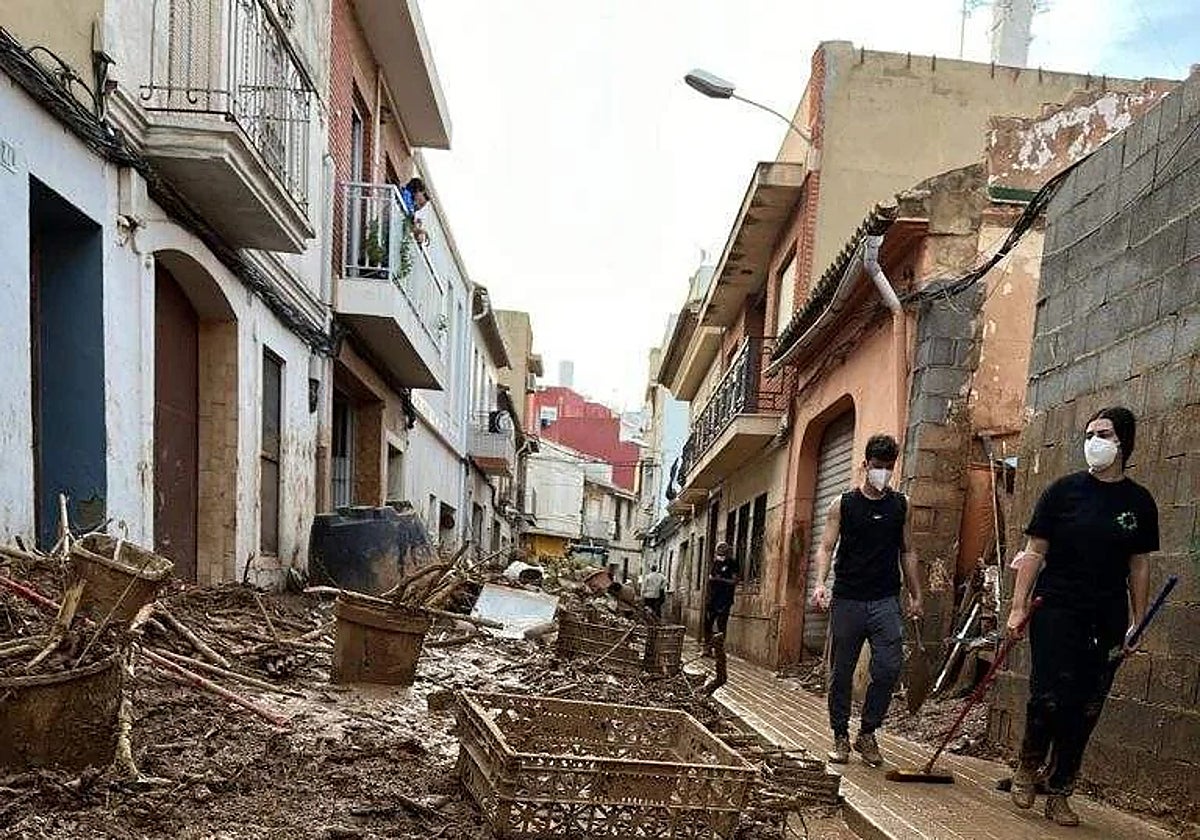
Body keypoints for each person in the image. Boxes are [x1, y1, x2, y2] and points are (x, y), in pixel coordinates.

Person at [1005, 406, 1158, 827]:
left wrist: (1137, 620)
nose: (1094, 441)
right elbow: (1034, 553)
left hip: (1106, 615)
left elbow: (1139, 565)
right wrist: (1018, 607)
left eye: (1103, 433)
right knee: (1049, 695)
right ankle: (1028, 764)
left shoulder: (1139, 502)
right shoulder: (1062, 492)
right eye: (1089, 434)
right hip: (1055, 608)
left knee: (1087, 706)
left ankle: (1060, 788)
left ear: (1122, 441)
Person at [810, 433, 923, 768]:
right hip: (847, 599)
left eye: (889, 467)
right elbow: (827, 547)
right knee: (841, 672)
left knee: (889, 667)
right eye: (878, 466)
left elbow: (909, 550)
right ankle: (841, 736)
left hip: (885, 600)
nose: (883, 473)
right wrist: (820, 583)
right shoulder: (842, 505)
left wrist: (916, 594)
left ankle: (868, 732)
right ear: (865, 465)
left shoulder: (901, 505)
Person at [703, 542, 739, 655]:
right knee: (708, 623)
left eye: (722, 548)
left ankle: (719, 650)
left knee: (721, 625)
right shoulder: (716, 563)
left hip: (725, 599)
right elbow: (711, 578)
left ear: (727, 551)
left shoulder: (732, 563)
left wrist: (720, 579)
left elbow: (734, 581)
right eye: (718, 548)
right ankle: (707, 648)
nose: (719, 550)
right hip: (712, 598)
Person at [398, 177, 430, 245]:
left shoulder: (410, 201)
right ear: (417, 191)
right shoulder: (406, 195)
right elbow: (410, 217)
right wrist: (419, 230)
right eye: (420, 203)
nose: (419, 207)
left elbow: (411, 222)